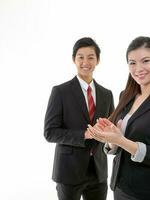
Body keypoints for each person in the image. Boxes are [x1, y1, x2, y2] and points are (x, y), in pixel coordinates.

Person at [88, 36, 150, 200]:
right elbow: (119, 147)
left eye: (145, 61)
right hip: (120, 187)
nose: (138, 68)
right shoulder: (126, 96)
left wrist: (121, 140)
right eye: (132, 63)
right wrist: (111, 139)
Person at [44, 37, 114, 200]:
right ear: (73, 59)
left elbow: (111, 128)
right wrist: (83, 135)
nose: (85, 62)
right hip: (69, 172)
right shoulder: (60, 92)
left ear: (98, 60)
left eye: (91, 57)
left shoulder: (107, 94)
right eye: (80, 57)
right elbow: (50, 132)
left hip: (98, 171)